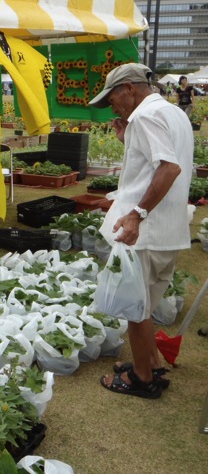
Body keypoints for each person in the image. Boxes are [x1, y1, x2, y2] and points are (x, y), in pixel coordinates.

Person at [89, 63, 193, 400]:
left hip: (145, 232)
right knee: (144, 305)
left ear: (129, 89)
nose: (112, 108)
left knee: (136, 308)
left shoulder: (145, 117)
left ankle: (142, 377)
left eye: (112, 99)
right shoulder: (173, 113)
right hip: (169, 229)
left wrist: (136, 214)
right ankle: (150, 364)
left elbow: (169, 168)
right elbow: (158, 163)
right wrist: (127, 140)